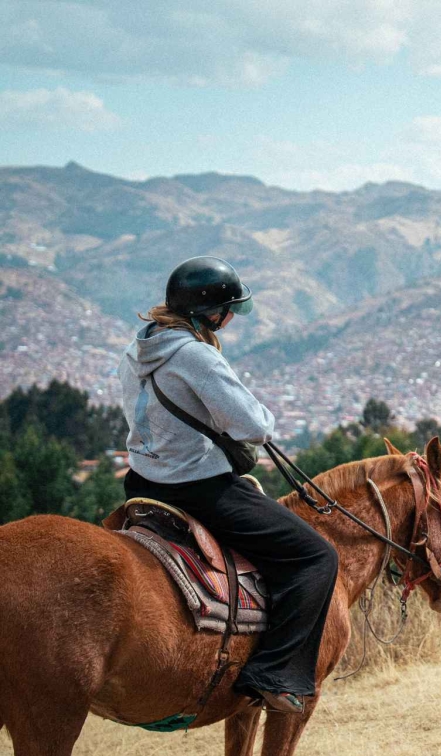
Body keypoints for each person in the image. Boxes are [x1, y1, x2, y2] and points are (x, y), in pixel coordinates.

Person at [119, 256, 338, 715]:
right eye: (228, 310)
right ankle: (273, 674)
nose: (231, 318)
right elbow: (255, 427)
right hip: (197, 486)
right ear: (209, 311)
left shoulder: (138, 347)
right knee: (316, 557)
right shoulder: (196, 355)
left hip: (142, 481)